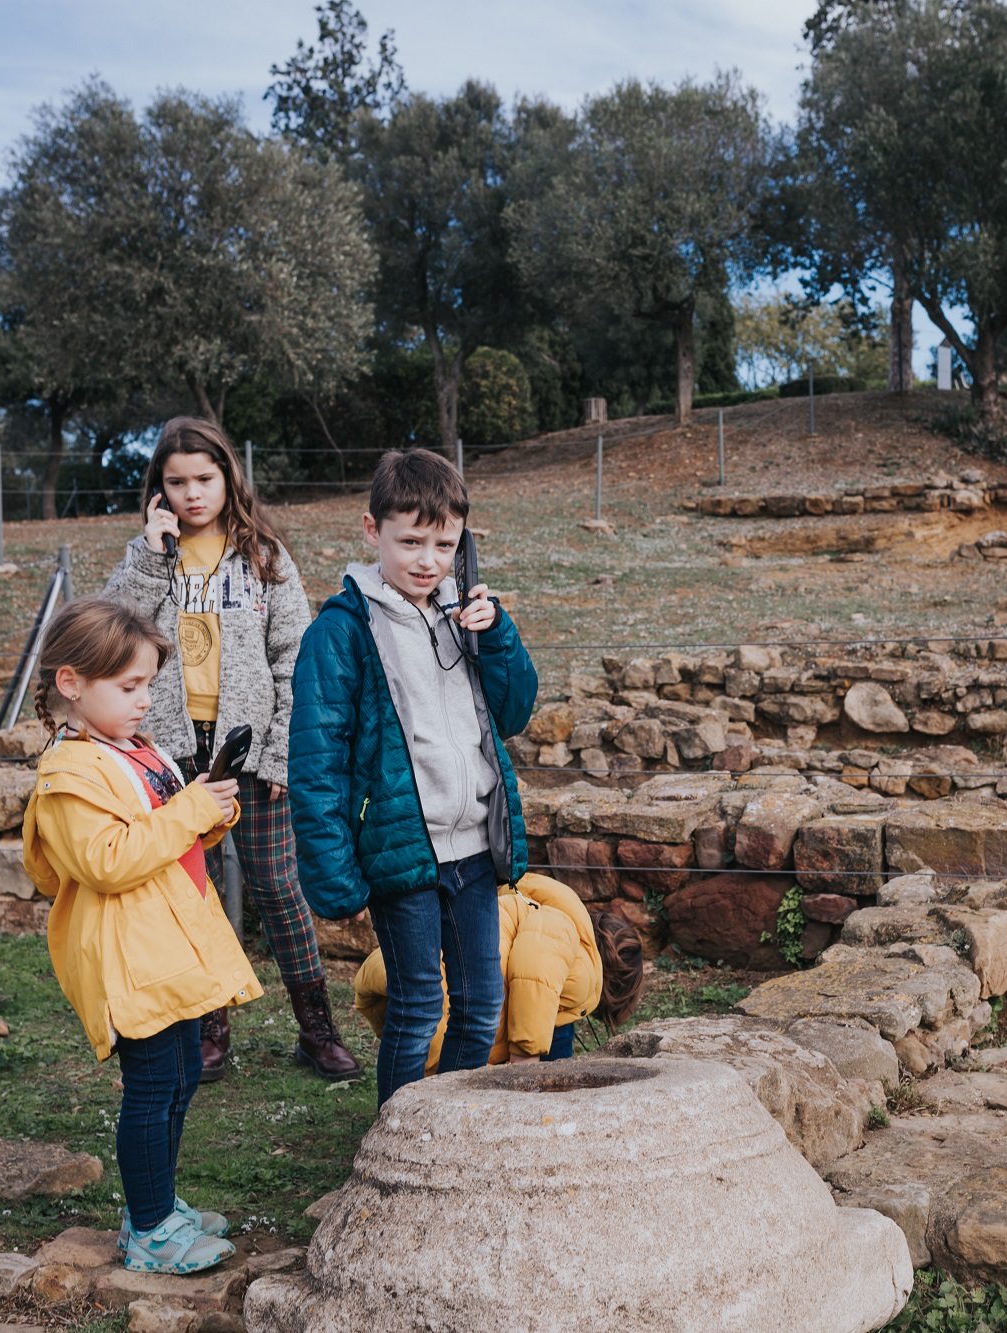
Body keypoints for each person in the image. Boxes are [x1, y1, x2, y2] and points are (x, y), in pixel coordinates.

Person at [102, 416, 358, 1082]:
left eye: (204, 479)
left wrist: (280, 754)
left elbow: (295, 659)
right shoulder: (145, 558)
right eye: (176, 481)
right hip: (173, 759)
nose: (192, 493)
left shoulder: (265, 556)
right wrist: (154, 558)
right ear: (158, 488)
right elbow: (111, 634)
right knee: (198, 894)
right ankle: (210, 1030)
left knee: (278, 887)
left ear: (228, 478)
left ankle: (317, 1028)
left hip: (251, 756)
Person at [288, 448, 539, 1109]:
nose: (429, 559)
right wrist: (336, 875)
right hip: (404, 852)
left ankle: (449, 1129)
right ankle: (396, 1141)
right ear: (372, 531)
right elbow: (317, 760)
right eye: (411, 541)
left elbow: (514, 712)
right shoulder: (342, 632)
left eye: (445, 544)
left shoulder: (468, 619)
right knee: (418, 1006)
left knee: (483, 1006)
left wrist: (502, 636)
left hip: (474, 850)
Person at [20, 596, 260, 1275]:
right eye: (128, 686)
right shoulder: (68, 776)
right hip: (132, 958)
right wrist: (187, 809)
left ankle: (154, 1204)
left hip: (170, 945)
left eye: (149, 684)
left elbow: (168, 829)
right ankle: (152, 1231)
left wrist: (210, 808)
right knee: (153, 1089)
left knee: (182, 1078)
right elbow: (106, 858)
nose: (144, 700)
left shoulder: (136, 750)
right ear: (72, 683)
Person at [353, 876, 648, 1070]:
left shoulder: (534, 908)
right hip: (446, 1002)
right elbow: (535, 967)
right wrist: (526, 1055)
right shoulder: (575, 948)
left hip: (400, 976)